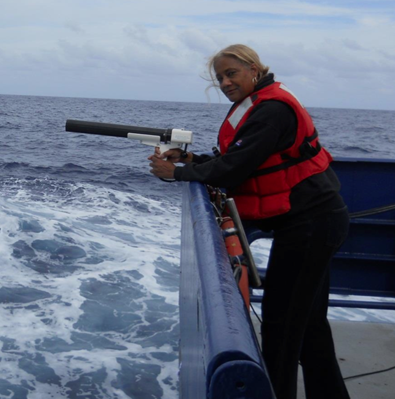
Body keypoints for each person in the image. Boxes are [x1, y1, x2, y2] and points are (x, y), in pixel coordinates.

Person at [148, 44, 351, 399]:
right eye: (220, 78)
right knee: (309, 327)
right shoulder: (259, 105)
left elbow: (234, 169)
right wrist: (193, 159)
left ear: (253, 69)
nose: (225, 82)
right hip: (315, 220)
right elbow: (240, 157)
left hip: (312, 223)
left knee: (281, 327)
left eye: (232, 73)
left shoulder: (271, 110)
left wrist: (178, 172)